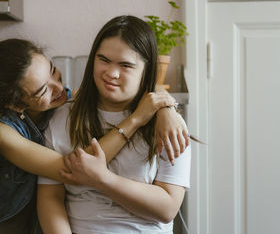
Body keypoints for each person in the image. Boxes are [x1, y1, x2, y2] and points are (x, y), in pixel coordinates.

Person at [0, 38, 188, 234]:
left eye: (54, 72)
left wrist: (166, 108)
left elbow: (130, 81)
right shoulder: (1, 132)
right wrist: (136, 119)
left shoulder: (58, 101)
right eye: (43, 90)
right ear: (16, 104)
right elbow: (74, 168)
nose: (61, 88)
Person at [37, 15, 192, 234]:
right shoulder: (62, 116)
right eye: (104, 60)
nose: (111, 73)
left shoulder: (168, 124)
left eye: (126, 65)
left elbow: (168, 207)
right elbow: (50, 197)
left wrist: (103, 179)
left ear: (146, 71)